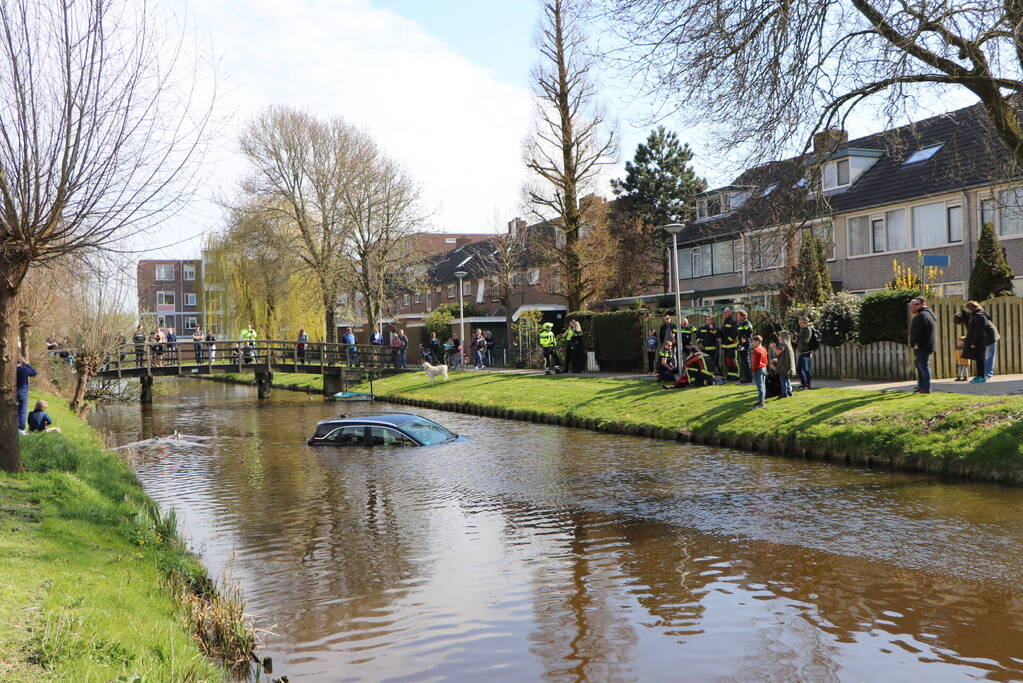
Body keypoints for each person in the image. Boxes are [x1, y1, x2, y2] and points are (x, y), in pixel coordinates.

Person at [909, 296, 937, 393]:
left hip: (922, 346)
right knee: (920, 366)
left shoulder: (922, 316)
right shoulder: (928, 314)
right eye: (913, 304)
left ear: (921, 305)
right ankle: (921, 387)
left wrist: (916, 344)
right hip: (926, 345)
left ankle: (926, 388)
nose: (913, 307)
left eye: (916, 304)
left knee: (923, 366)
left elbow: (919, 333)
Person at [963, 301, 989, 383]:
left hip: (979, 341)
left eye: (969, 309)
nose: (968, 311)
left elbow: (979, 331)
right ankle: (978, 376)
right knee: (978, 359)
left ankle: (981, 377)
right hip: (979, 341)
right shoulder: (977, 315)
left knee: (980, 359)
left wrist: (974, 342)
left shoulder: (979, 316)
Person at [795, 316, 818, 390]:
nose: (800, 323)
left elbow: (806, 340)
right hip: (801, 352)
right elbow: (798, 342)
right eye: (799, 321)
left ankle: (808, 384)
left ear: (805, 322)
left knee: (806, 369)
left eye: (801, 322)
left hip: (806, 352)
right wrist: (794, 337)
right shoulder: (802, 329)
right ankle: (803, 383)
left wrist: (798, 336)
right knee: (798, 369)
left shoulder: (808, 329)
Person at [773, 330, 796, 399]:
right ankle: (789, 392)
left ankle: (784, 393)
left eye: (780, 336)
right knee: (786, 379)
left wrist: (773, 347)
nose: (779, 337)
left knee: (783, 380)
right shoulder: (788, 344)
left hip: (783, 365)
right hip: (788, 365)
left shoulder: (782, 344)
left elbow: (778, 352)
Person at [16, 357, 36, 435]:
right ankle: (21, 429)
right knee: (22, 411)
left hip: (11, 392)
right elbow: (34, 372)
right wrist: (27, 364)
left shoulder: (10, 369)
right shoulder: (23, 369)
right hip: (22, 393)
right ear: (21, 362)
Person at [719, 308, 740, 381]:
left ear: (730, 313)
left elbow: (735, 331)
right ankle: (731, 374)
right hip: (726, 346)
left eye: (726, 312)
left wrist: (730, 339)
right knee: (727, 360)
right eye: (724, 312)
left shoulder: (733, 321)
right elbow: (724, 331)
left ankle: (736, 375)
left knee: (733, 360)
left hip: (732, 345)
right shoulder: (725, 321)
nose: (724, 314)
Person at [735, 310, 754, 384]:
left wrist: (744, 337)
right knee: (743, 361)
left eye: (738, 315)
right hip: (741, 344)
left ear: (743, 316)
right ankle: (745, 377)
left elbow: (750, 330)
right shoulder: (740, 323)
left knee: (746, 361)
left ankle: (748, 378)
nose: (737, 317)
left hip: (745, 344)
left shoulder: (746, 322)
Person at [751, 335, 768, 408]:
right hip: (764, 368)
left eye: (754, 341)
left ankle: (761, 403)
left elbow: (755, 362)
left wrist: (753, 371)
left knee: (760, 386)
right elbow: (766, 360)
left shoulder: (756, 350)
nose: (752, 343)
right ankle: (761, 400)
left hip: (758, 369)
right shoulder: (764, 349)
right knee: (763, 386)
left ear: (758, 341)